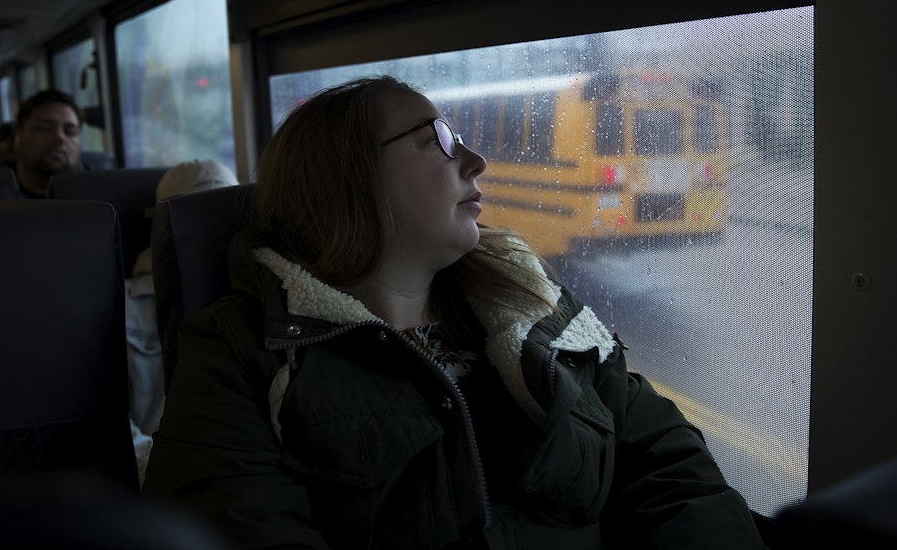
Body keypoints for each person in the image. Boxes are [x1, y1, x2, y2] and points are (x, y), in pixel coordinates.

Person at [144, 76, 766, 549]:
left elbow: (666, 462)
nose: (474, 162)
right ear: (347, 180)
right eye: (438, 141)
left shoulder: (529, 302)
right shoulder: (243, 354)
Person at [127, 159, 239, 484]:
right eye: (202, 220)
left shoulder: (268, 302)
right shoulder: (116, 309)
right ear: (159, 229)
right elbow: (105, 426)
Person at [11, 89, 86, 198]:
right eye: (44, 128)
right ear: (18, 138)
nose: (59, 137)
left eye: (70, 131)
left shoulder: (100, 192)